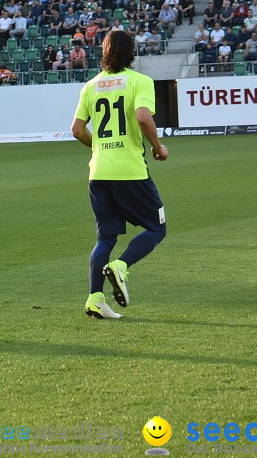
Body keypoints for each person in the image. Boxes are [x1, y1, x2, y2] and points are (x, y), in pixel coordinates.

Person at [70, 30, 168, 319]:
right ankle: (121, 267)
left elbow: (76, 130)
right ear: (132, 53)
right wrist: (158, 147)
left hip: (98, 171)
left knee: (105, 238)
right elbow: (142, 117)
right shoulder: (140, 82)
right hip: (129, 171)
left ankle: (95, 300)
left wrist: (100, 146)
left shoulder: (91, 86)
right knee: (156, 228)